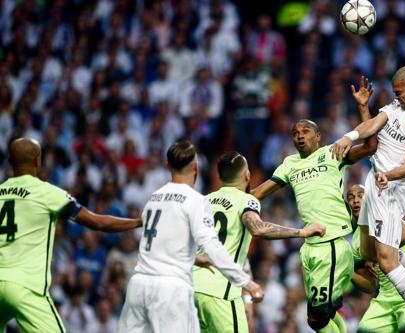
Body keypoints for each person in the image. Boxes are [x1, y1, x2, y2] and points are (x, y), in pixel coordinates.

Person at [331, 66, 405, 333]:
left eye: (400, 93)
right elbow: (373, 126)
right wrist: (350, 134)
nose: (397, 98)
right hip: (375, 181)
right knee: (370, 253)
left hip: (392, 188)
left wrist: (387, 175)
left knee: (386, 261)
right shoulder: (399, 105)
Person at [251, 77, 377, 332]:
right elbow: (258, 192)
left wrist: (363, 107)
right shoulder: (289, 164)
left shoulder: (331, 153)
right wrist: (233, 198)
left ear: (318, 136)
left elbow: (371, 146)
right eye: (295, 133)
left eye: (305, 132)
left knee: (315, 317)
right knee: (323, 317)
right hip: (309, 246)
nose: (299, 136)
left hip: (330, 242)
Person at [118, 139, 264, 333]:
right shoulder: (196, 200)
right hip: (177, 288)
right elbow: (212, 244)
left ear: (167, 166)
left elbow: (162, 244)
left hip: (140, 286)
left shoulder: (155, 197)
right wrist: (245, 281)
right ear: (196, 167)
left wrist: (195, 259)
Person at [0, 137, 142, 333]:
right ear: (38, 161)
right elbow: (97, 222)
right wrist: (138, 222)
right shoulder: (45, 192)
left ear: (9, 159)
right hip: (26, 287)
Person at [194, 151, 326, 333]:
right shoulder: (247, 200)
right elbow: (259, 228)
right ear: (247, 175)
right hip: (221, 292)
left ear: (218, 176)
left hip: (192, 288)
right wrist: (302, 231)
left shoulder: (202, 201)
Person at [347, 184, 405, 333]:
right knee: (364, 330)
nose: (356, 200)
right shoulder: (356, 239)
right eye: (351, 197)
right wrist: (347, 269)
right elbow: (370, 286)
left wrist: (371, 256)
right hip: (385, 297)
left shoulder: (385, 215)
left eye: (360, 195)